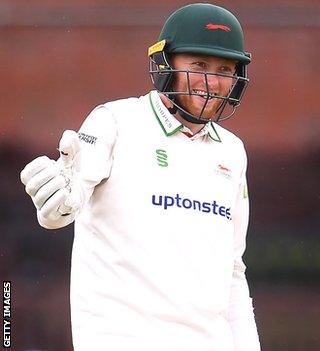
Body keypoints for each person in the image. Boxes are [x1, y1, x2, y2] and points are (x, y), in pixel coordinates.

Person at [19, 3, 260, 350]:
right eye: (199, 65)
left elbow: (233, 270)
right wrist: (55, 205)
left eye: (224, 68)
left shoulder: (232, 152)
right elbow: (64, 207)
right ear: (165, 65)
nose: (211, 81)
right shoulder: (114, 121)